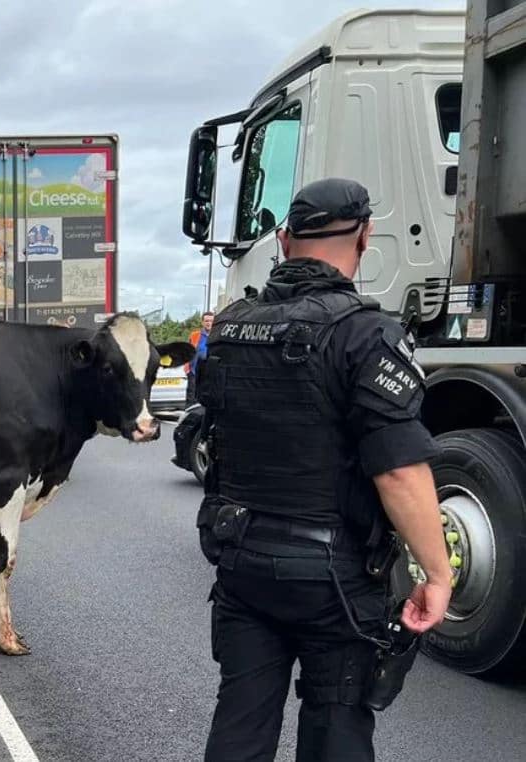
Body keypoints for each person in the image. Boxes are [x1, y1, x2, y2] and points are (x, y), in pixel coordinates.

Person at [196, 178, 452, 762]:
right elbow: (399, 473)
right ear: (365, 236)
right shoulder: (370, 335)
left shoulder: (231, 327)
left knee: (240, 724)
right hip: (333, 581)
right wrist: (435, 575)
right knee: (336, 731)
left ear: (285, 241)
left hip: (241, 563)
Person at [186, 311, 214, 405]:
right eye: (206, 321)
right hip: (195, 373)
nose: (208, 323)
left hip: (211, 374)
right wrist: (187, 370)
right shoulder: (195, 335)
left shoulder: (217, 335)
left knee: (208, 398)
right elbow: (188, 352)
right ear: (202, 322)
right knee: (192, 397)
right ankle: (190, 416)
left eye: (211, 321)